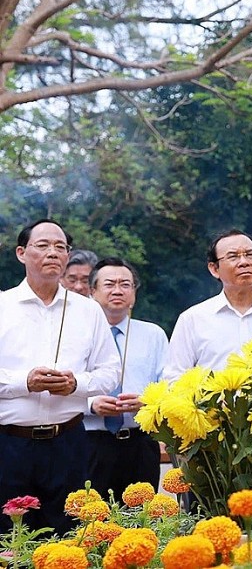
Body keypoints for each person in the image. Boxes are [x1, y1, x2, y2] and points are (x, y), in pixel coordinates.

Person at [0, 220, 120, 535]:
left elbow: (110, 371)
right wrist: (24, 381)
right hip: (9, 444)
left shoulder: (89, 310)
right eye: (43, 245)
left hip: (70, 443)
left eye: (61, 247)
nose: (53, 252)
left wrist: (75, 385)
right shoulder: (3, 306)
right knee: (11, 541)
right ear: (21, 253)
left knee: (71, 537)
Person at [163, 229, 252, 381]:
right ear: (214, 269)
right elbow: (173, 378)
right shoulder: (193, 319)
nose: (244, 262)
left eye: (249, 255)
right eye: (233, 257)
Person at [85, 257, 168, 501]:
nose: (118, 290)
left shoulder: (153, 334)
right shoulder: (79, 334)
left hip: (140, 444)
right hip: (91, 443)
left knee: (141, 521)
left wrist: (147, 402)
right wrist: (91, 404)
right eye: (110, 284)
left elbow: (169, 386)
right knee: (88, 521)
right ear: (93, 291)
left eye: (126, 284)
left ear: (134, 292)